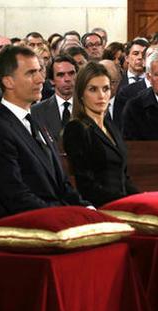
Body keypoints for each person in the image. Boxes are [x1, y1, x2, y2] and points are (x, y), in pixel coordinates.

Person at [0, 46, 90, 218]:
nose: (40, 79)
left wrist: (86, 209)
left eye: (39, 71)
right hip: (30, 227)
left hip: (57, 217)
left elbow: (62, 184)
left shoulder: (36, 121)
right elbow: (16, 197)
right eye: (30, 73)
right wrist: (66, 215)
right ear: (8, 82)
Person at [63, 62, 139, 207]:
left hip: (122, 206)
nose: (101, 96)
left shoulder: (110, 126)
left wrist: (141, 200)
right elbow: (86, 185)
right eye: (93, 89)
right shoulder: (76, 129)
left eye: (105, 89)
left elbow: (123, 176)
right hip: (100, 208)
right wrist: (124, 203)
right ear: (81, 94)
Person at [31, 54, 78, 140]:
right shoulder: (36, 111)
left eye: (71, 73)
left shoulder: (88, 107)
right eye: (61, 75)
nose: (67, 79)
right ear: (52, 80)